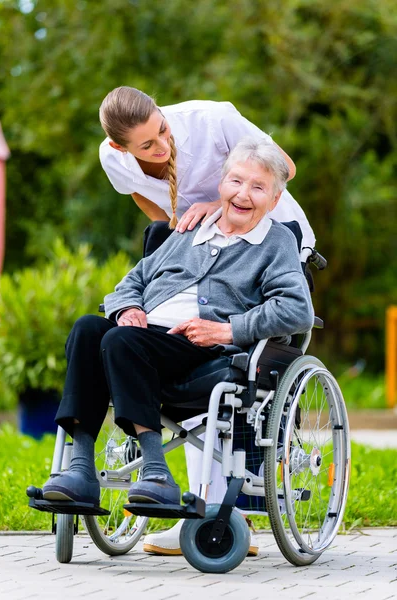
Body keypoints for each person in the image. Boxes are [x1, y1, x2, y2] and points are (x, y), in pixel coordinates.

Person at [42, 138, 314, 555]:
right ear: (221, 183)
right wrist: (128, 306)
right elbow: (131, 281)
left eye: (258, 187)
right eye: (236, 181)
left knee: (119, 341)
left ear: (275, 198)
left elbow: (297, 310)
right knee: (87, 328)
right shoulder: (189, 230)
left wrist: (227, 330)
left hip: (202, 350)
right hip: (140, 338)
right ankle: (80, 468)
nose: (243, 194)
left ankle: (156, 471)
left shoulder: (275, 243)